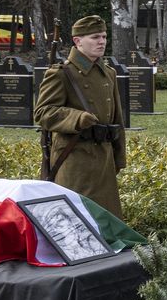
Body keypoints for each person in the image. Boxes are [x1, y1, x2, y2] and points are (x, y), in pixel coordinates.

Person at [34, 15, 126, 217]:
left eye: (104, 37)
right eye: (95, 37)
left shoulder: (108, 73)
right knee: (77, 218)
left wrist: (118, 156)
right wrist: (77, 118)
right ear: (78, 41)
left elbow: (117, 118)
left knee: (105, 219)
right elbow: (42, 112)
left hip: (103, 157)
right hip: (75, 157)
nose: (101, 42)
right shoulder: (62, 73)